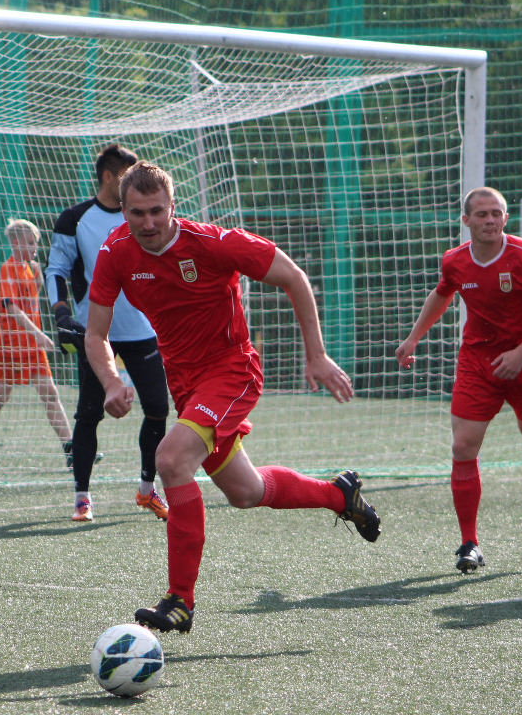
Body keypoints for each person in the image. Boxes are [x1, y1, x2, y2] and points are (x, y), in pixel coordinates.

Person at [85, 161, 381, 634]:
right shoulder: (115, 252)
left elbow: (293, 276)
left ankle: (180, 601)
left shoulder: (213, 243)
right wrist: (111, 381)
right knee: (246, 492)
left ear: (173, 206)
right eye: (137, 213)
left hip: (231, 371)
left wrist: (317, 355)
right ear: (123, 211)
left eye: (157, 211)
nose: (148, 223)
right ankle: (338, 494)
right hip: (187, 385)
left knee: (171, 460)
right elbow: (96, 334)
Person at [396, 187, 522, 574]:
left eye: (496, 214)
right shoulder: (455, 260)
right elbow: (443, 293)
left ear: (505, 218)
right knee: (463, 446)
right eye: (481, 214)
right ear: (466, 220)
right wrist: (413, 338)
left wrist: (520, 353)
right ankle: (469, 544)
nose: (490, 220)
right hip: (478, 363)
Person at [46, 144, 171, 523]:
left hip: (143, 331)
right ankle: (82, 499)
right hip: (94, 333)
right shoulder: (75, 219)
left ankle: (147, 489)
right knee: (88, 414)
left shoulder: (145, 220)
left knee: (158, 409)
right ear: (108, 177)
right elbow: (56, 270)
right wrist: (62, 313)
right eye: (127, 176)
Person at [0, 219, 74, 471]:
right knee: (7, 395)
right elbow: (12, 308)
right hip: (13, 343)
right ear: (15, 242)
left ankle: (71, 450)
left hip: (28, 343)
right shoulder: (8, 268)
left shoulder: (29, 268)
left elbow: (29, 297)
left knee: (46, 393)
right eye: (30, 242)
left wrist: (38, 280)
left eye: (35, 243)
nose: (35, 248)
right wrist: (38, 334)